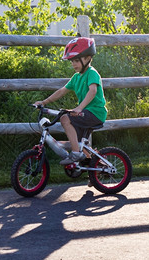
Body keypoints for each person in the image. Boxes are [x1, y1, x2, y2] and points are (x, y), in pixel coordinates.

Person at [34, 37, 107, 165]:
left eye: (76, 60)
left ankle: (75, 154)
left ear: (87, 58)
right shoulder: (76, 77)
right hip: (86, 112)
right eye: (72, 61)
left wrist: (79, 108)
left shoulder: (92, 73)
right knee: (79, 143)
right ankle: (96, 168)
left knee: (65, 119)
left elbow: (93, 91)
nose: (73, 64)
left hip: (96, 112)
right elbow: (62, 91)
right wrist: (44, 102)